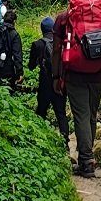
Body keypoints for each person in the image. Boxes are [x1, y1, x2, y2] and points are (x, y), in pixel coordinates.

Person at [52, 0, 101, 178]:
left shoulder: (64, 18)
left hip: (75, 74)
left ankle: (86, 161)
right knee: (92, 116)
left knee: (81, 116)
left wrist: (57, 77)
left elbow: (56, 50)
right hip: (97, 73)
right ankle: (88, 155)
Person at [29, 16, 69, 145]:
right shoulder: (62, 43)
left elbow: (31, 66)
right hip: (60, 82)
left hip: (45, 83)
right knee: (61, 113)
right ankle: (65, 142)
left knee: (41, 111)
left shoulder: (37, 44)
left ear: (42, 30)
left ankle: (40, 140)